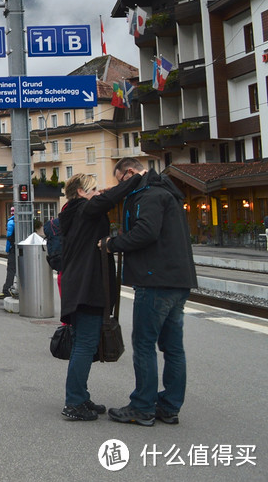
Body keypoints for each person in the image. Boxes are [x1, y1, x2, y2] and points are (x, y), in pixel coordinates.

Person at [103, 158, 198, 427]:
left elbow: (145, 232)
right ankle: (169, 407)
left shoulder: (148, 194)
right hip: (178, 281)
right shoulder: (168, 191)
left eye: (121, 180)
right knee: (173, 348)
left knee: (144, 345)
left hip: (155, 280)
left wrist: (112, 244)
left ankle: (142, 407)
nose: (122, 186)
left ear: (130, 173)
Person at [58, 172, 138, 421]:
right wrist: (134, 180)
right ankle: (74, 403)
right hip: (87, 287)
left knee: (85, 343)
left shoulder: (74, 211)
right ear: (81, 192)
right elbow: (107, 200)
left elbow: (103, 200)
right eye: (93, 190)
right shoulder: (84, 209)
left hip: (80, 285)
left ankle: (80, 396)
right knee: (84, 345)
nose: (97, 193)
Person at [0, 206, 18, 299]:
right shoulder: (24, 222)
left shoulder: (11, 222)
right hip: (22, 248)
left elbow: (9, 238)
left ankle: (6, 289)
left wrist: (7, 250)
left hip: (13, 248)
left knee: (11, 269)